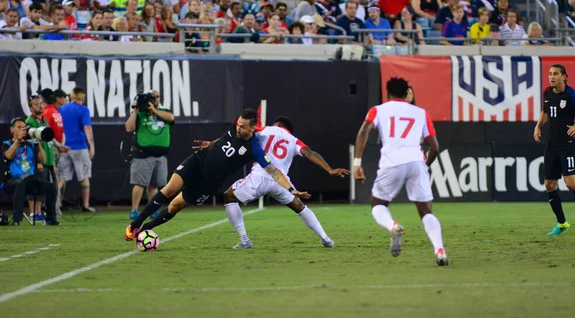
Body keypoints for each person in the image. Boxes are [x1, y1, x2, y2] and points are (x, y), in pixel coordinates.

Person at [124, 108, 307, 240]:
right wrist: (212, 143)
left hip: (209, 183)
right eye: (238, 124)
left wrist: (291, 189)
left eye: (243, 127)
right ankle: (135, 224)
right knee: (170, 188)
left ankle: (146, 228)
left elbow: (274, 171)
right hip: (198, 162)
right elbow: (225, 138)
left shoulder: (255, 150)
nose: (238, 128)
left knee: (174, 206)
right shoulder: (235, 125)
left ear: (252, 129)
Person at [215, 116, 349, 248]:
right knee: (300, 207)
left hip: (259, 177)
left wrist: (213, 144)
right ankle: (326, 238)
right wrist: (329, 170)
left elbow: (239, 136)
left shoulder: (265, 130)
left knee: (229, 196)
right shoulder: (294, 140)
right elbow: (309, 153)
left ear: (277, 125)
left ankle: (244, 240)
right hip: (281, 182)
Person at [352, 77, 446, 265]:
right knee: (426, 211)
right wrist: (424, 167)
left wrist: (357, 162)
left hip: (392, 162)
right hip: (416, 161)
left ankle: (392, 226)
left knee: (378, 204)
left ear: (388, 94)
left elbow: (364, 130)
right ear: (406, 94)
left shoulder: (378, 110)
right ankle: (439, 250)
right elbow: (434, 147)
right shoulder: (421, 113)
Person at [534, 65, 575, 235]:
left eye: (555, 74)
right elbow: (545, 112)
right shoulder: (547, 93)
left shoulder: (573, 95)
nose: (551, 77)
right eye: (550, 74)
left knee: (570, 183)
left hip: (567, 144)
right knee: (549, 184)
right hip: (551, 144)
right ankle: (562, 223)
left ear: (564, 77)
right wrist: (538, 126)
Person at [125, 89, 175, 220]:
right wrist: (136, 109)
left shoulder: (164, 111)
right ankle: (134, 210)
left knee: (154, 185)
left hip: (160, 156)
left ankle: (152, 210)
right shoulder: (141, 113)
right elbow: (129, 128)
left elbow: (171, 118)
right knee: (139, 183)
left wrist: (155, 110)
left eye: (157, 97)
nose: (155, 99)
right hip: (143, 154)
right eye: (152, 97)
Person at [2, 118, 60, 226]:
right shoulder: (7, 144)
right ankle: (17, 219)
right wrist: (18, 140)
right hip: (13, 180)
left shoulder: (30, 145)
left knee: (51, 187)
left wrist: (38, 143)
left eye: (24, 127)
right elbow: (8, 156)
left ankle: (51, 219)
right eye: (19, 127)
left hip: (30, 180)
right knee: (20, 184)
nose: (22, 130)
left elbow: (43, 160)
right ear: (12, 130)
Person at [58, 87, 96, 213]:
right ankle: (85, 205)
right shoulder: (83, 110)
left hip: (64, 147)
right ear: (83, 97)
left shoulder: (62, 109)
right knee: (84, 177)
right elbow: (87, 128)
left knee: (61, 178)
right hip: (80, 147)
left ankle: (55, 205)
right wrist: (92, 145)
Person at [25, 95, 56, 221]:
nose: (40, 106)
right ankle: (33, 212)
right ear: (31, 107)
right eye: (36, 104)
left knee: (44, 187)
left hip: (48, 158)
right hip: (37, 161)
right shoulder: (29, 122)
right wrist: (37, 161)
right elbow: (30, 143)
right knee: (35, 186)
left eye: (41, 103)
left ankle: (40, 211)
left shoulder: (44, 120)